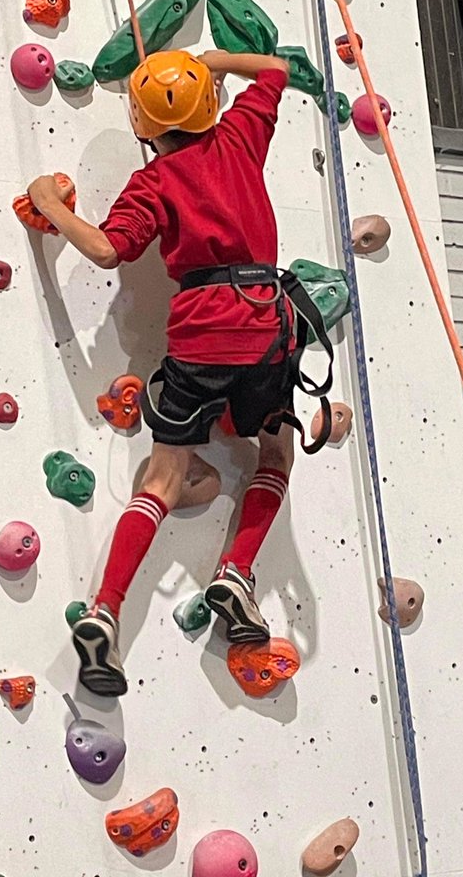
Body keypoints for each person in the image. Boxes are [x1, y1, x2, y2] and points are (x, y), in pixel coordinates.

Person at [26, 49, 331, 697]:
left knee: (162, 479)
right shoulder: (241, 137)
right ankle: (236, 573)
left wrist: (49, 203)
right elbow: (275, 71)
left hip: (199, 331)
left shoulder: (153, 183)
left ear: (140, 124)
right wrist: (213, 60)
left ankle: (105, 612)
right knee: (274, 451)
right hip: (263, 326)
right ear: (211, 103)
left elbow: (106, 249)